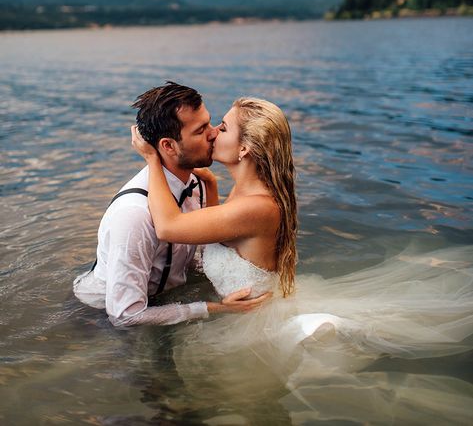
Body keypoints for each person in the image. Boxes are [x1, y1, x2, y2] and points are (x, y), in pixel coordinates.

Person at [131, 95, 473, 424]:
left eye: (222, 127)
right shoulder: (247, 192)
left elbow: (168, 227)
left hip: (254, 325)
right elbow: (220, 229)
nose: (212, 133)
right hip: (242, 307)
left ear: (245, 148)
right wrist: (207, 181)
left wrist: (150, 159)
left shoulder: (256, 206)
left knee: (245, 404)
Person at [73, 82, 269, 327]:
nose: (213, 133)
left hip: (163, 302)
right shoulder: (133, 215)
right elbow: (124, 316)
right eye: (200, 131)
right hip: (100, 319)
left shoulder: (195, 182)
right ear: (168, 146)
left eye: (209, 122)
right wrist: (215, 308)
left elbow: (189, 252)